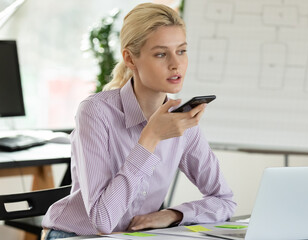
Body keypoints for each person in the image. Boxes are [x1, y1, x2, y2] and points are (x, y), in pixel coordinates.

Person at [41, 3, 236, 239]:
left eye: (182, 51)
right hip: (78, 235)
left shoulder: (181, 120)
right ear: (130, 59)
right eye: (161, 54)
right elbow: (103, 221)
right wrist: (150, 138)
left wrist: (173, 214)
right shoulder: (95, 112)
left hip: (134, 235)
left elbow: (224, 200)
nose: (176, 64)